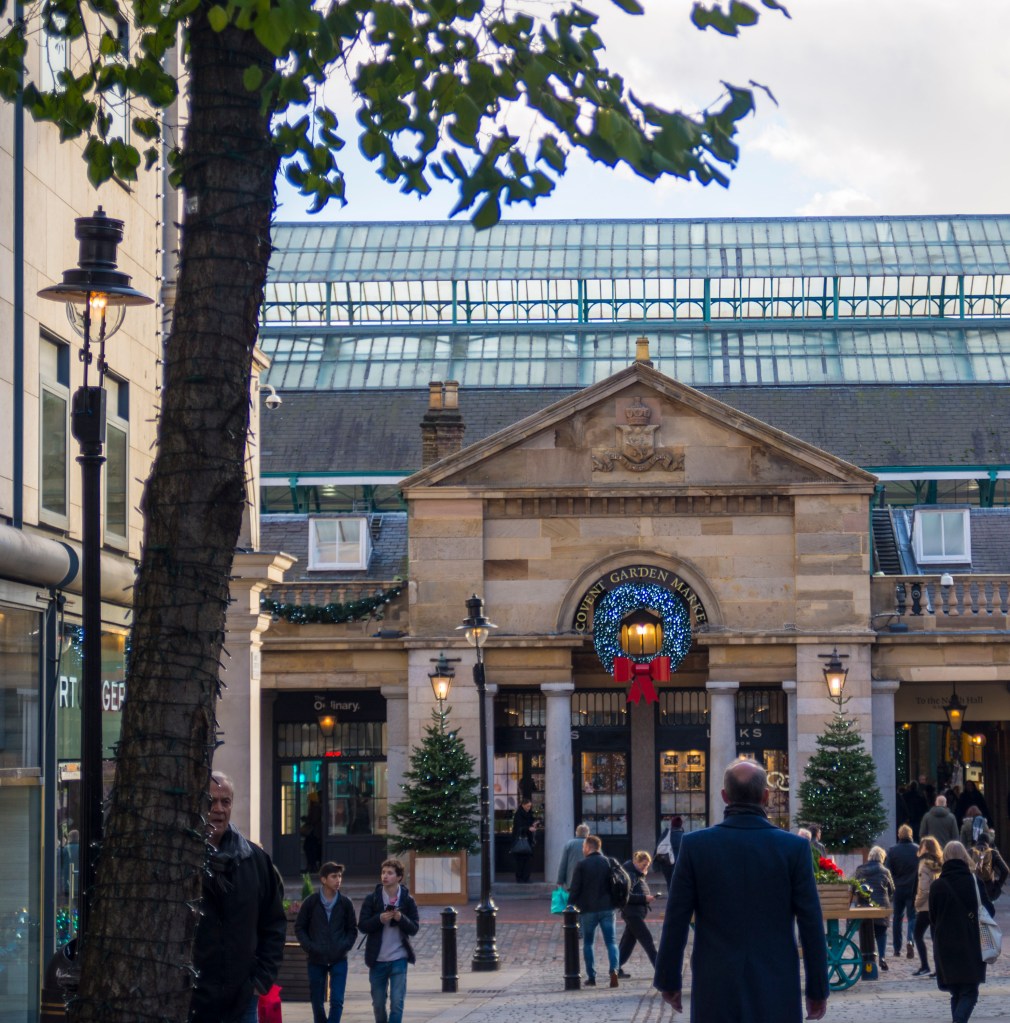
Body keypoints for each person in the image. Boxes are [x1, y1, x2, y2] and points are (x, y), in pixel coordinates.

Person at [654, 759, 828, 1021]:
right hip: (776, 982)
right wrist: (818, 989)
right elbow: (810, 922)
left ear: (725, 796)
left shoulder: (696, 846)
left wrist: (669, 980)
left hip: (716, 982)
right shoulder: (794, 848)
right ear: (766, 796)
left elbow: (676, 918)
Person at [191, 772, 286, 1023]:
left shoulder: (255, 860)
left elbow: (273, 924)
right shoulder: (184, 861)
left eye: (226, 801)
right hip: (194, 1001)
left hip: (243, 998)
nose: (218, 809)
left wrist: (261, 980)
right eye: (211, 801)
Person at [930, 841, 994, 1023]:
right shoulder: (974, 882)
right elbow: (989, 910)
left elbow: (933, 918)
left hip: (944, 944)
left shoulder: (937, 885)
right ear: (965, 857)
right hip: (971, 942)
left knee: (956, 992)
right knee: (970, 992)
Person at [295, 862, 358, 1023]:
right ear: (323, 879)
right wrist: (310, 947)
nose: (338, 880)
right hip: (316, 958)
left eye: (340, 876)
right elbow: (300, 927)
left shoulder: (345, 903)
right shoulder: (311, 902)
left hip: (339, 958)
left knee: (337, 1000)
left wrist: (344, 946)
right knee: (317, 1001)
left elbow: (352, 929)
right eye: (334, 876)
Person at [358, 858, 420, 1023]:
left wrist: (401, 918)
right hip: (377, 959)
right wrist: (379, 919)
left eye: (390, 873)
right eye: (383, 872)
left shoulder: (407, 900)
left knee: (397, 1003)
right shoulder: (372, 899)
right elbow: (362, 926)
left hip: (399, 958)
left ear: (399, 877)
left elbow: (414, 928)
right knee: (378, 1004)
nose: (385, 876)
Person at [568, 834, 621, 988]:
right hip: (607, 907)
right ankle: (614, 970)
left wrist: (570, 905)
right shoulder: (609, 862)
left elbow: (575, 888)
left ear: (588, 847)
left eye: (583, 846)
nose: (582, 849)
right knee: (611, 942)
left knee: (588, 943)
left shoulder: (582, 865)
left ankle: (591, 977)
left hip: (588, 909)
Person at [853, 846, 895, 969]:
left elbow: (854, 888)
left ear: (870, 856)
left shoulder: (860, 869)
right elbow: (892, 889)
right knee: (881, 933)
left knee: (866, 933)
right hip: (881, 905)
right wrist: (888, 897)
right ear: (882, 857)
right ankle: (882, 957)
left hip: (863, 905)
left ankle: (867, 958)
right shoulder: (885, 871)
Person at [617, 851, 657, 978]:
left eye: (647, 866)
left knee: (627, 943)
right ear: (636, 862)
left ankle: (615, 968)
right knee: (647, 940)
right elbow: (626, 896)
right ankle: (660, 969)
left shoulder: (637, 874)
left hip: (635, 913)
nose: (645, 868)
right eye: (643, 865)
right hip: (632, 914)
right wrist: (644, 898)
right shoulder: (630, 875)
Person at [885, 823, 919, 958]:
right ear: (911, 835)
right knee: (912, 917)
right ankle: (910, 940)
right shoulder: (917, 850)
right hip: (913, 888)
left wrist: (890, 888)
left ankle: (896, 948)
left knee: (897, 918)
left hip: (898, 888)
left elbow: (888, 871)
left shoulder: (892, 850)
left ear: (899, 835)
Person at [912, 835, 943, 976]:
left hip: (925, 906)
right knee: (935, 937)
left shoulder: (924, 864)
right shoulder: (938, 864)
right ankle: (939, 968)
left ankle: (925, 966)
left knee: (917, 934)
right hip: (937, 905)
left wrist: (917, 903)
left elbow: (923, 888)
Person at [969, 832, 1009, 902]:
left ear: (977, 841)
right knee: (988, 908)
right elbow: (1005, 870)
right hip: (989, 890)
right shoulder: (993, 853)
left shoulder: (970, 852)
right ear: (988, 842)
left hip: (973, 889)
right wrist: (998, 885)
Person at [511, 798, 539, 883]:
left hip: (528, 839)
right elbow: (518, 827)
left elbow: (530, 823)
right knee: (520, 860)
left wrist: (534, 824)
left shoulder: (529, 814)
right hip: (521, 839)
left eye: (530, 806)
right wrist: (528, 828)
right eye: (527, 806)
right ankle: (520, 878)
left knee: (527, 860)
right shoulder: (518, 814)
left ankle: (526, 877)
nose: (529, 808)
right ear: (523, 805)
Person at [556, 823, 590, 891]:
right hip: (589, 881)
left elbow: (563, 864)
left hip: (572, 881)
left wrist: (560, 881)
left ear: (576, 832)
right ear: (588, 833)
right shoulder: (592, 844)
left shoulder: (569, 844)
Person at [654, 815, 684, 887]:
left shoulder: (665, 835)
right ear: (681, 825)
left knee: (669, 884)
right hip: (680, 865)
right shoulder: (684, 836)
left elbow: (657, 849)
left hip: (667, 864)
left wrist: (656, 865)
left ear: (672, 824)